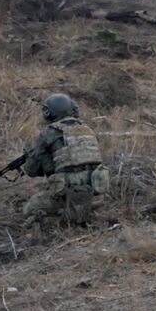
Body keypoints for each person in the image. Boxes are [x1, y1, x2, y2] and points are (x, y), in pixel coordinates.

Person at [22, 93, 109, 226]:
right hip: (95, 197)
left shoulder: (49, 133)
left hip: (68, 196)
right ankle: (84, 213)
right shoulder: (88, 129)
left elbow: (31, 170)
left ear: (49, 113)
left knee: (29, 209)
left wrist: (38, 157)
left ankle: (59, 221)